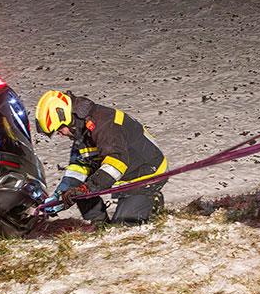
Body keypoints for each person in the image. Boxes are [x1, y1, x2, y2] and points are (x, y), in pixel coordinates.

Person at [35, 90, 167, 225]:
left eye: (59, 129)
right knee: (77, 192)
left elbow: (116, 163)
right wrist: (60, 196)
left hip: (146, 173)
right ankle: (100, 224)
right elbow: (78, 167)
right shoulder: (81, 129)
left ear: (66, 119)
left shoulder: (104, 123)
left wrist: (87, 188)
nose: (60, 134)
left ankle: (153, 201)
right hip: (127, 171)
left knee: (124, 228)